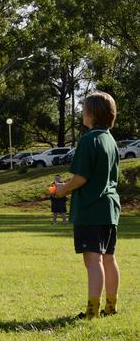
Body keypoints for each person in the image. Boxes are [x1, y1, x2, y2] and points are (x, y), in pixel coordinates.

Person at [55, 92, 120, 319]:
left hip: (91, 209)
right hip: (110, 208)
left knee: (93, 260)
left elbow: (81, 178)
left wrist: (63, 189)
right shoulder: (110, 140)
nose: (81, 112)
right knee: (109, 258)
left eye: (83, 109)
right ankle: (110, 307)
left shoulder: (89, 139)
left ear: (92, 113)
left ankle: (92, 311)